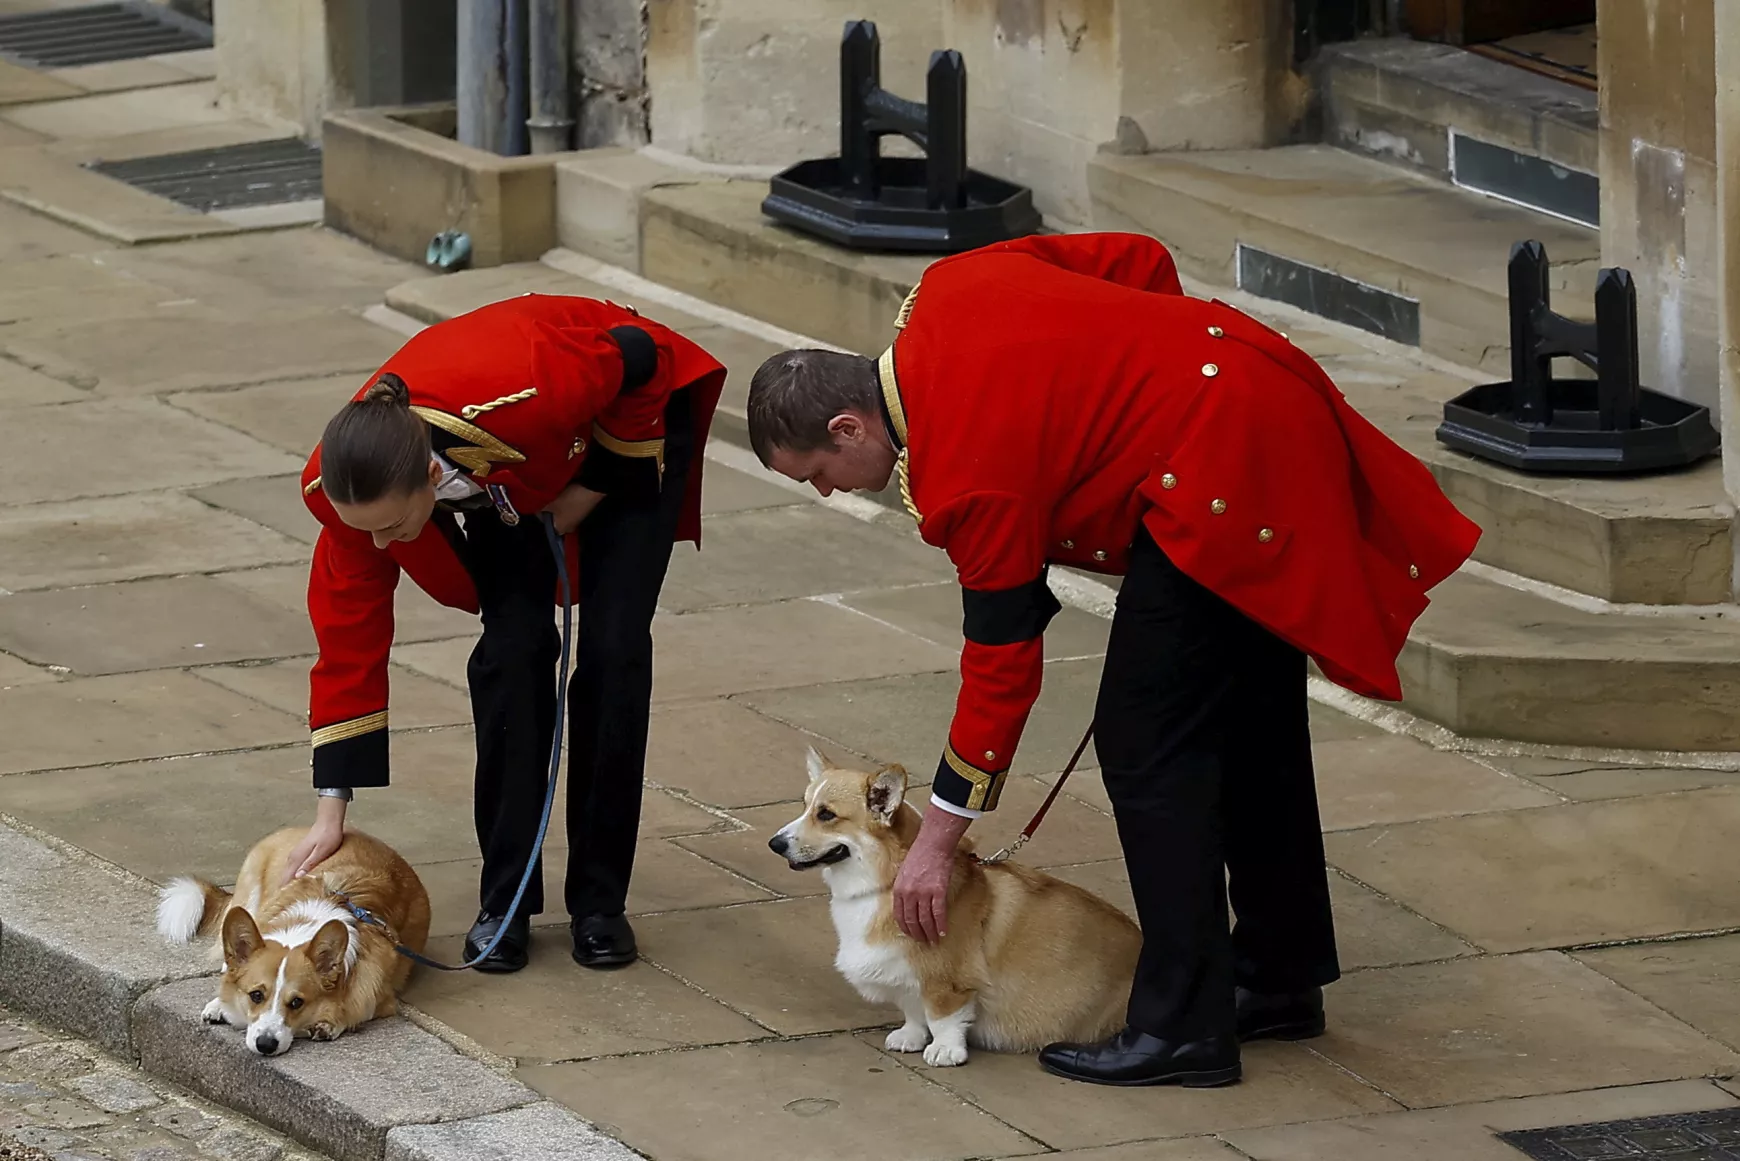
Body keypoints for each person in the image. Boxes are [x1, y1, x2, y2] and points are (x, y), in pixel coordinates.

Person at [744, 232, 1480, 1087]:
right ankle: (1278, 976)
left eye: (823, 473)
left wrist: (935, 842)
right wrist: (1150, 372)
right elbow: (1136, 260)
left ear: (848, 423)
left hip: (1217, 474)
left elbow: (1003, 665)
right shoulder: (947, 288)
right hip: (1253, 389)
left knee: (1147, 746)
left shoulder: (965, 474)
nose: (832, 491)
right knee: (1249, 722)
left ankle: (1183, 1026)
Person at [290, 293, 725, 973]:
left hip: (620, 427)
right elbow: (347, 641)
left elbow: (644, 358)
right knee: (512, 652)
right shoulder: (349, 489)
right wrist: (330, 810)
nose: (375, 542)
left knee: (613, 650)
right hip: (510, 479)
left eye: (389, 525)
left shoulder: (530, 384)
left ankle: (600, 903)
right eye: (364, 526)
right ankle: (507, 901)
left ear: (430, 477)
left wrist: (594, 486)